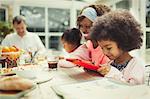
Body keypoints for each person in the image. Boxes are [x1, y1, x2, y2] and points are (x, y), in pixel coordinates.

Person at [90, 10, 145, 85]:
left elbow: (134, 90)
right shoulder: (110, 63)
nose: (105, 52)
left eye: (109, 48)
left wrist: (112, 73)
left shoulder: (136, 65)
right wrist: (94, 71)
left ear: (123, 42)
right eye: (102, 48)